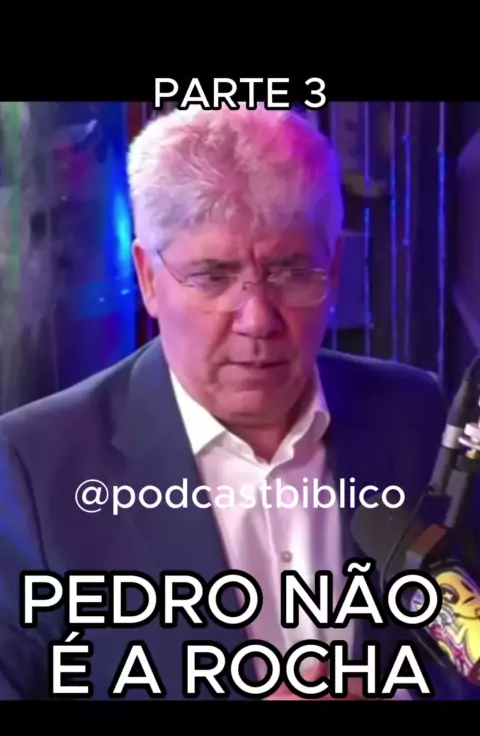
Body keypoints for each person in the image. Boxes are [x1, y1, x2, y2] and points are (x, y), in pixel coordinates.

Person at [0, 105, 474, 700]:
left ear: (333, 267)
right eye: (213, 276)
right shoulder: (32, 467)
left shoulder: (415, 414)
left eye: (290, 271)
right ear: (147, 278)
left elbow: (461, 655)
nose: (257, 320)